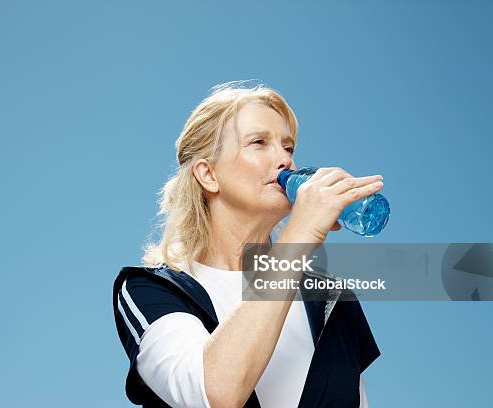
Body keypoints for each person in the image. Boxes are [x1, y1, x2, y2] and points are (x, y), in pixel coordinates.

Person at [112, 81, 382, 407]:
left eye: (288, 147)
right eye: (258, 142)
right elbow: (213, 394)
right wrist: (299, 237)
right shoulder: (150, 290)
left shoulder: (328, 296)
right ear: (208, 174)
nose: (284, 159)